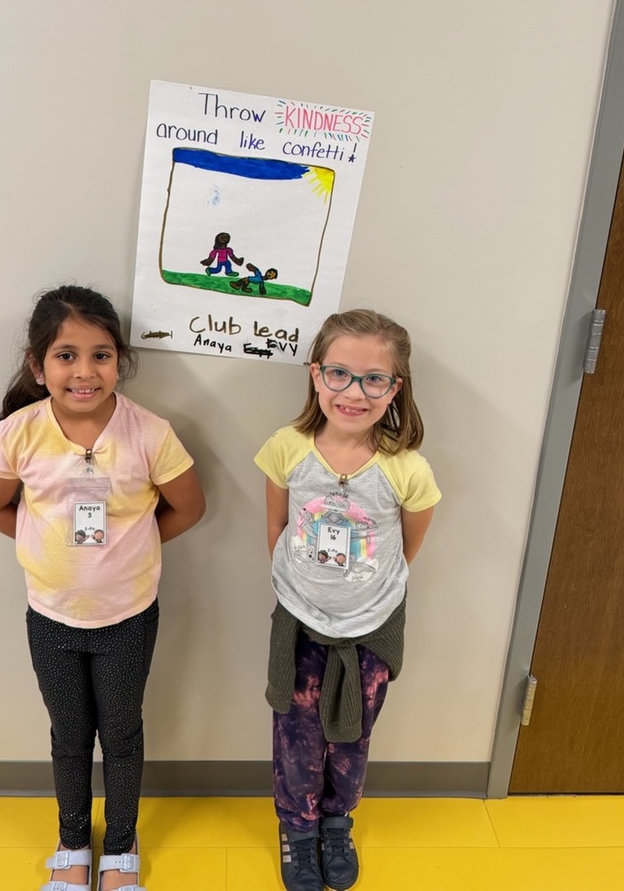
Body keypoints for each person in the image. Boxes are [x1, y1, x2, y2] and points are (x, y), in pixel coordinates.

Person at [0, 285, 205, 891]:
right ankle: (74, 841)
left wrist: (130, 551)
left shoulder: (149, 433)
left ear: (120, 361)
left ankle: (122, 847)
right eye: (65, 355)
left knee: (122, 733)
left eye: (101, 355)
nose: (84, 371)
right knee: (69, 735)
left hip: (129, 615)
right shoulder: (19, 433)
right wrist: (43, 549)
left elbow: (187, 508)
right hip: (50, 616)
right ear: (37, 365)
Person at [254, 309, 440, 891]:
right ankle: (299, 829)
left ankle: (337, 823)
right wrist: (302, 589)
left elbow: (407, 545)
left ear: (395, 389)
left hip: (370, 628)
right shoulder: (287, 447)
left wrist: (361, 594)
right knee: (295, 732)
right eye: (339, 373)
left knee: (352, 737)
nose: (353, 392)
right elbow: (276, 525)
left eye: (373, 379)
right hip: (299, 622)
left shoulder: (406, 468)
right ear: (315, 376)